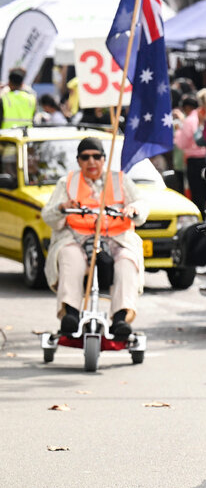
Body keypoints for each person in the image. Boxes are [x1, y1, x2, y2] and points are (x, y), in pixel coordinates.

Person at [40, 138, 148, 339]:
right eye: (85, 157)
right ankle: (70, 314)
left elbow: (142, 205)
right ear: (79, 161)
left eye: (96, 157)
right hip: (78, 238)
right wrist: (62, 208)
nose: (91, 162)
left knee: (127, 261)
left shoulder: (120, 180)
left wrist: (134, 208)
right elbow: (48, 215)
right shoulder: (67, 183)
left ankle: (120, 319)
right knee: (69, 256)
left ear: (104, 159)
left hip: (117, 239)